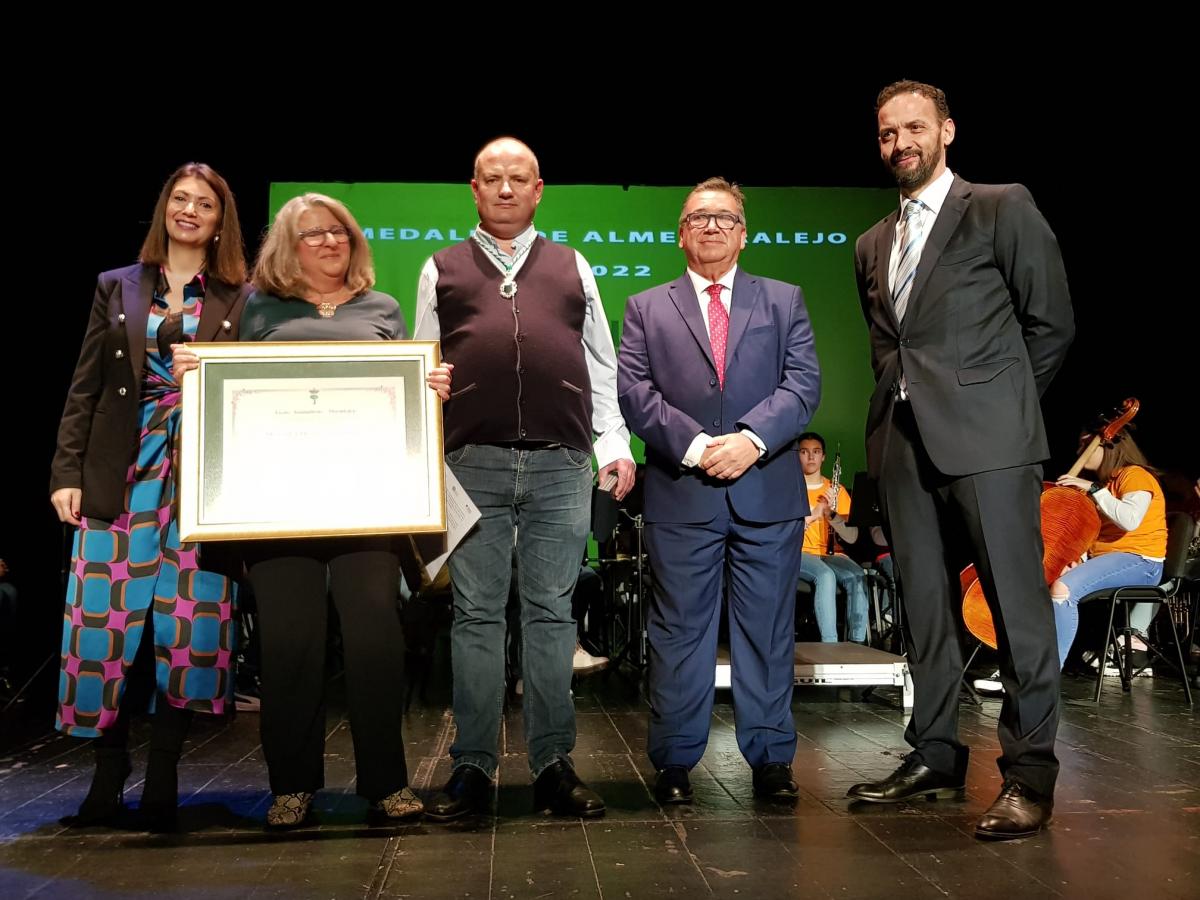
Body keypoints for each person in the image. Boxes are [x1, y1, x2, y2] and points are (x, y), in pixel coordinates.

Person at [844, 81, 1074, 841]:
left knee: (1016, 608)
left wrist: (1000, 411)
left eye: (914, 127)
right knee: (924, 607)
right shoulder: (870, 242)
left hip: (991, 442)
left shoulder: (1002, 205)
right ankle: (935, 754)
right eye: (886, 133)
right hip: (902, 443)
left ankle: (1030, 774)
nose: (900, 142)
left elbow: (1051, 324)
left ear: (947, 130)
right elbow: (890, 346)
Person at [182, 193, 450, 828]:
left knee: (375, 643)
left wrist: (430, 385)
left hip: (369, 505)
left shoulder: (381, 309)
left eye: (339, 233)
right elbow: (228, 390)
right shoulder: (257, 306)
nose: (329, 242)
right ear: (287, 246)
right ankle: (291, 787)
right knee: (289, 647)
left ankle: (386, 783)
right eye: (312, 235)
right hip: (278, 505)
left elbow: (405, 395)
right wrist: (198, 370)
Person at [412, 138, 634, 821]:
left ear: (540, 190)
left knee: (549, 615)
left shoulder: (573, 265)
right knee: (475, 616)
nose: (506, 189)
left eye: (519, 179)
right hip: (469, 460)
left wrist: (613, 446)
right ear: (473, 190)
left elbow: (602, 366)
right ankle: (472, 769)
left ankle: (552, 766)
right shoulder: (439, 269)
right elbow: (421, 373)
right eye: (492, 178)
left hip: (561, 466)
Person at [49, 163, 250, 830]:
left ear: (221, 221)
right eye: (180, 200)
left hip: (201, 482)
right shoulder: (118, 286)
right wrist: (65, 474)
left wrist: (214, 367)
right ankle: (107, 776)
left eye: (204, 204)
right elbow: (85, 389)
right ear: (166, 208)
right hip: (121, 472)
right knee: (103, 624)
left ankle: (163, 775)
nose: (190, 211)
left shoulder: (240, 296)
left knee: (189, 624)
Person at [618, 177, 820, 805]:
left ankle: (770, 759)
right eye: (698, 217)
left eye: (724, 217)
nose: (710, 226)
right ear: (681, 232)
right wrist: (701, 447)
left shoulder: (784, 300)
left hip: (767, 493)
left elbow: (803, 384)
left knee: (767, 631)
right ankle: (675, 761)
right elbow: (635, 393)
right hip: (683, 490)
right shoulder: (646, 306)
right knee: (679, 632)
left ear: (743, 232)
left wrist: (751, 439)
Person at [796, 432, 870, 642]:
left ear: (824, 457)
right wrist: (816, 511)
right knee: (825, 576)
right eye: (804, 452)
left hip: (829, 554)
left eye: (816, 452)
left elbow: (852, 536)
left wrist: (831, 515)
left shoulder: (835, 491)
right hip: (798, 553)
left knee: (856, 575)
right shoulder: (790, 489)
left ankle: (857, 643)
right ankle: (831, 647)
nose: (811, 457)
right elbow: (782, 532)